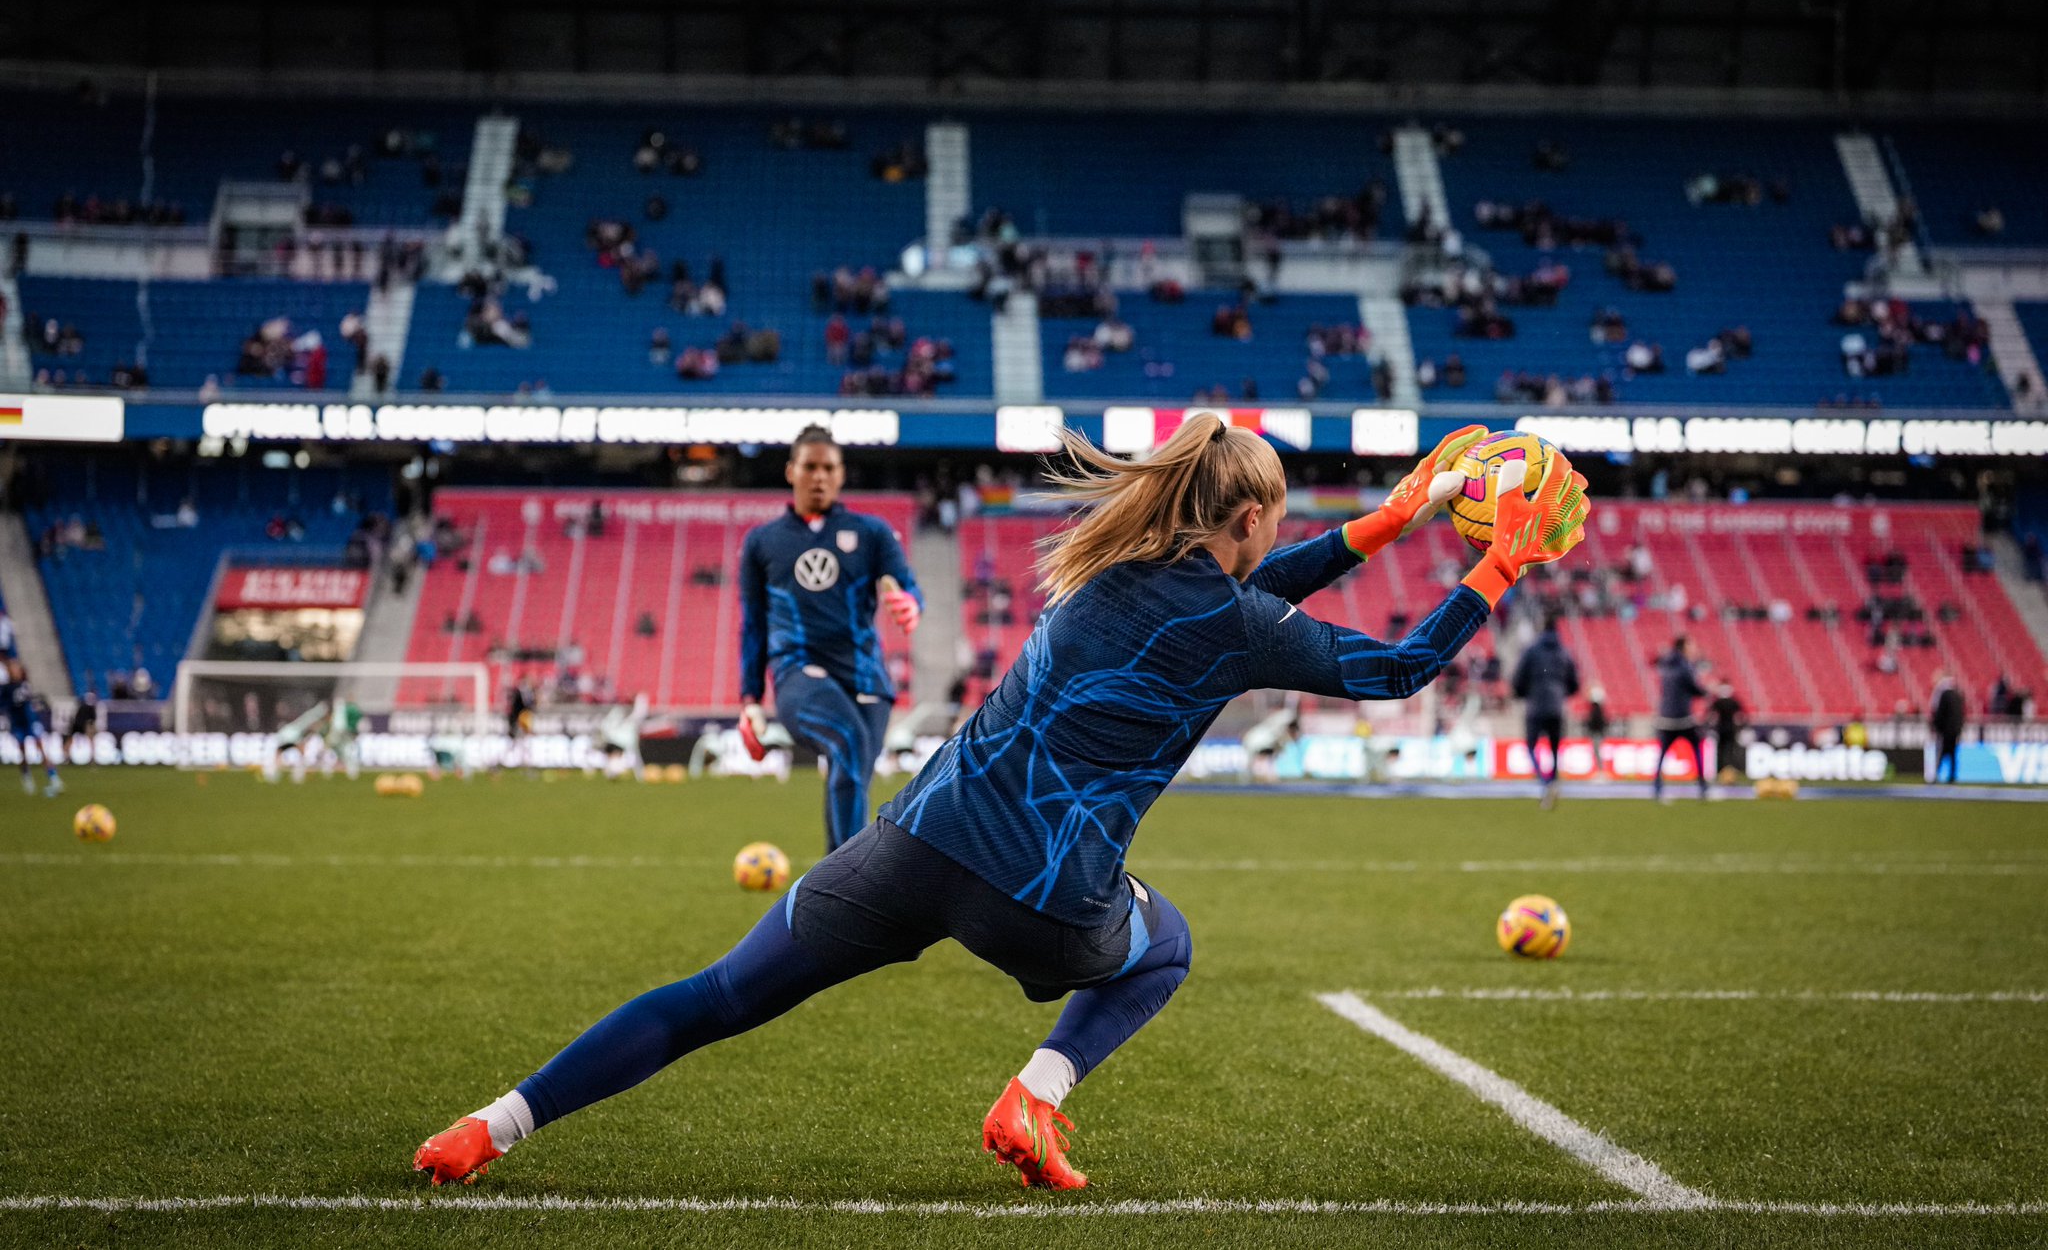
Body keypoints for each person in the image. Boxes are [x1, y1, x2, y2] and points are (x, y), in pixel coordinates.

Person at [412, 417, 1589, 1192]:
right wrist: (1497, 562)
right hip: (1039, 898)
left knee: (713, 998)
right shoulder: (1228, 623)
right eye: (1269, 526)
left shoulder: (1109, 566)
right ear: (1241, 524)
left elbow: (1250, 600)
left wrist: (1391, 521)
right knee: (1161, 945)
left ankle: (493, 1124)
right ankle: (1031, 1098)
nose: (1272, 542)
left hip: (911, 844)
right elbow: (1388, 667)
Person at [736, 425, 925, 853]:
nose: (818, 476)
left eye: (828, 468)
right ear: (791, 472)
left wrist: (911, 604)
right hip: (797, 673)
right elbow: (753, 626)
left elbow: (907, 586)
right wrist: (749, 699)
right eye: (810, 467)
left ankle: (832, 887)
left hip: (866, 680)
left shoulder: (872, 533)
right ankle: (849, 884)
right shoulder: (762, 542)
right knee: (848, 740)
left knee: (851, 770)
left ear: (840, 475)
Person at [1512, 617, 1579, 810]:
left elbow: (1518, 680)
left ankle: (1545, 782)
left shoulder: (1531, 652)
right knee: (1555, 749)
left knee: (1532, 747)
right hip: (1557, 707)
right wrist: (1561, 693)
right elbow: (1574, 683)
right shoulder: (1564, 652)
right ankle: (1554, 780)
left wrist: (1524, 693)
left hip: (1535, 706)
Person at [1651, 637, 1708, 803]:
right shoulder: (1685, 666)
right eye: (1691, 645)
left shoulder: (1666, 664)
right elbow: (1694, 688)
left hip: (1664, 717)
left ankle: (1657, 787)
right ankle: (1702, 786)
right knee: (1697, 749)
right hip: (1682, 718)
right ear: (1683, 647)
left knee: (1662, 754)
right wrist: (1706, 692)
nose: (1694, 648)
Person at [6, 661, 60, 796]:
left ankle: (53, 778)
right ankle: (27, 778)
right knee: (22, 752)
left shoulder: (25, 685)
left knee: (41, 748)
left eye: (17, 669)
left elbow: (32, 702)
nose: (16, 672)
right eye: (14, 669)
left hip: (31, 722)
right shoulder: (6, 688)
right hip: (17, 723)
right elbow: (5, 705)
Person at [262, 700, 330, 784]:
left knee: (291, 753)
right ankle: (293, 772)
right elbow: (311, 727)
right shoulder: (313, 717)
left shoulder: (312, 716)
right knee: (297, 753)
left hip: (292, 734)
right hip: (292, 734)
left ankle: (285, 772)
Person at [599, 694, 649, 781]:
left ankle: (638, 775)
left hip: (621, 738)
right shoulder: (618, 711)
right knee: (621, 756)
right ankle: (638, 775)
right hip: (619, 738)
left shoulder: (623, 712)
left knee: (630, 756)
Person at [1929, 673, 1965, 784]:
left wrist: (1936, 726)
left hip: (1946, 731)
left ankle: (1936, 775)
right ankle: (1952, 776)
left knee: (1942, 753)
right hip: (1955, 730)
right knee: (1953, 753)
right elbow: (1961, 715)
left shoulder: (1944, 696)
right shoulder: (1958, 695)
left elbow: (1940, 714)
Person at [1706, 682, 1745, 782]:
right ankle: (1728, 770)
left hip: (1722, 729)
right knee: (1729, 751)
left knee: (1723, 751)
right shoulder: (1732, 701)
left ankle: (1723, 770)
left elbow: (1710, 714)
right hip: (1729, 729)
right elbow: (1742, 715)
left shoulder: (1719, 702)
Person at [323, 695, 364, 779]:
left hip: (340, 733)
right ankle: (351, 772)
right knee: (345, 752)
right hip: (343, 733)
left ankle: (328, 768)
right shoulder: (348, 709)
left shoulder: (343, 710)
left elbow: (338, 725)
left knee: (333, 749)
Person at [1584, 684, 1609, 773]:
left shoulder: (1596, 710)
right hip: (1597, 733)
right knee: (1597, 753)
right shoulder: (1598, 710)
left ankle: (1601, 771)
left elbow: (1596, 723)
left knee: (1597, 752)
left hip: (1596, 734)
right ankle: (1600, 770)